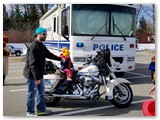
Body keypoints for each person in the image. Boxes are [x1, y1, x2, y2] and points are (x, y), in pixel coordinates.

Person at [23, 27, 61, 116]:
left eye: (46, 34)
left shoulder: (41, 45)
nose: (45, 36)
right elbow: (32, 64)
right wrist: (36, 78)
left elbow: (48, 54)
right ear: (38, 34)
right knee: (31, 93)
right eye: (44, 34)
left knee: (41, 92)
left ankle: (41, 109)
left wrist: (60, 59)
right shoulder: (33, 46)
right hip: (31, 74)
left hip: (39, 73)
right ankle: (30, 112)